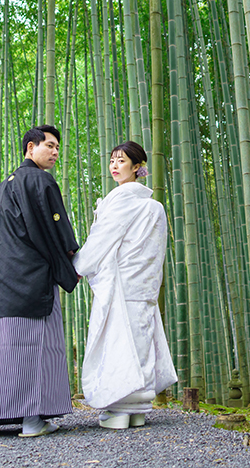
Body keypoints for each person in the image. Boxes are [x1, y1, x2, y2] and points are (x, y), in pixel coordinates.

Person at [0, 125, 79, 438]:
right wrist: (72, 263)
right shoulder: (40, 180)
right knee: (32, 348)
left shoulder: (6, 184)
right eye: (49, 146)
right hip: (30, 281)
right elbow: (57, 233)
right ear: (30, 148)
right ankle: (31, 421)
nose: (55, 153)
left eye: (57, 148)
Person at [73, 141, 178, 429]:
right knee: (140, 341)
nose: (114, 166)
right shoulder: (153, 206)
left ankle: (119, 408)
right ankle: (138, 408)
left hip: (120, 285)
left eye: (121, 161)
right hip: (144, 287)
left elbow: (102, 241)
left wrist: (76, 268)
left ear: (137, 167)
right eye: (112, 161)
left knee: (118, 341)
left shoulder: (122, 200)